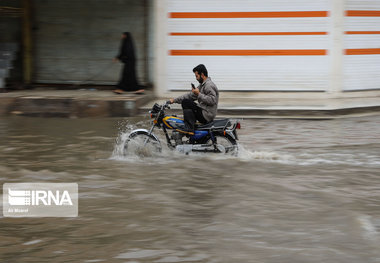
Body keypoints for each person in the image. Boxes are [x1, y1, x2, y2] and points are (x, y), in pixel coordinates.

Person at [169, 64, 219, 135]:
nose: (196, 78)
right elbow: (189, 96)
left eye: (197, 76)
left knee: (186, 102)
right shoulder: (202, 85)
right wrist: (174, 100)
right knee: (187, 101)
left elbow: (212, 100)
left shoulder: (209, 85)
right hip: (204, 111)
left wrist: (198, 94)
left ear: (202, 75)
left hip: (207, 115)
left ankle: (189, 128)